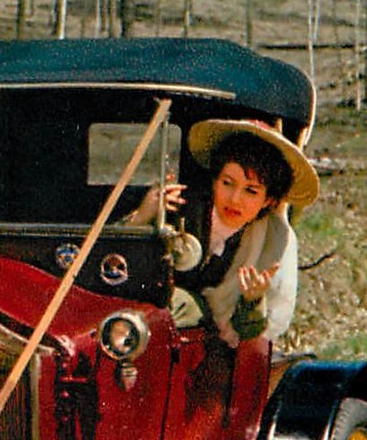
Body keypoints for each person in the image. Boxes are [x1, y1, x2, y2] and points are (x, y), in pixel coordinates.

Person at [126, 118, 319, 346]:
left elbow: (253, 332)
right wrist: (143, 215)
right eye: (227, 183)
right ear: (215, 181)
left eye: (251, 191)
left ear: (268, 199)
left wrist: (252, 300)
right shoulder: (180, 207)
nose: (235, 199)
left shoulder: (273, 242)